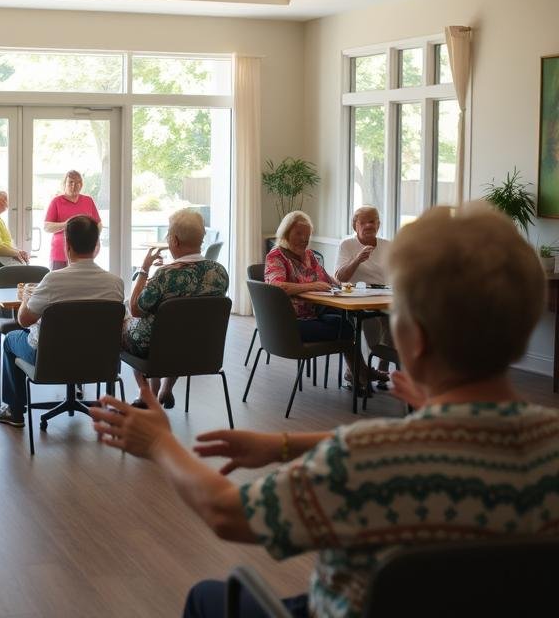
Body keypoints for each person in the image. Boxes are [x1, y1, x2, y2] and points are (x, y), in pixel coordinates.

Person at [92, 202, 558, 618]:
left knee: (206, 598)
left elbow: (226, 511)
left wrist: (160, 443)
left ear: (413, 336)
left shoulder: (367, 458)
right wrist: (284, 445)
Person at [0, 215, 124, 428]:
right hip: (100, 361)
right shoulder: (115, 284)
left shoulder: (53, 280)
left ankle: (15, 411)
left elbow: (24, 320)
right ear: (97, 245)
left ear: (67, 246)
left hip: (51, 360)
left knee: (10, 339)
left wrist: (26, 297)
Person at [265, 210, 385, 394]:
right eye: (298, 233)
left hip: (310, 315)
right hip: (288, 323)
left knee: (343, 319)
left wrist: (342, 286)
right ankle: (361, 373)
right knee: (344, 328)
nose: (304, 239)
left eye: (307, 235)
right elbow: (276, 286)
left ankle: (358, 374)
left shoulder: (308, 256)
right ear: (286, 232)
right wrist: (310, 286)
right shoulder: (276, 256)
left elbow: (327, 279)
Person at [123, 208, 229, 410]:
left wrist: (144, 270)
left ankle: (146, 394)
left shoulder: (165, 275)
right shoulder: (220, 272)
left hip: (157, 347)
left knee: (126, 324)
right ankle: (164, 389)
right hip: (202, 347)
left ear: (174, 241)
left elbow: (136, 309)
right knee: (183, 329)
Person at [335, 205, 394, 387]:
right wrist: (357, 259)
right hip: (358, 298)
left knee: (397, 319)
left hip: (386, 295)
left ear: (378, 224)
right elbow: (340, 277)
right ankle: (362, 371)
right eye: (364, 222)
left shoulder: (388, 245)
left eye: (373, 221)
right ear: (355, 225)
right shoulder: (347, 245)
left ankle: (381, 367)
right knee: (371, 320)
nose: (369, 225)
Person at [43, 170, 101, 270]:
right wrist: (67, 225)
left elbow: (98, 224)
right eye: (70, 182)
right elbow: (47, 227)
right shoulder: (56, 201)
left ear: (81, 185)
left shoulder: (88, 200)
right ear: (65, 183)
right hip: (60, 254)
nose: (74, 186)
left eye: (78, 182)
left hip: (84, 254)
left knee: (81, 284)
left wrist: (94, 239)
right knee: (59, 284)